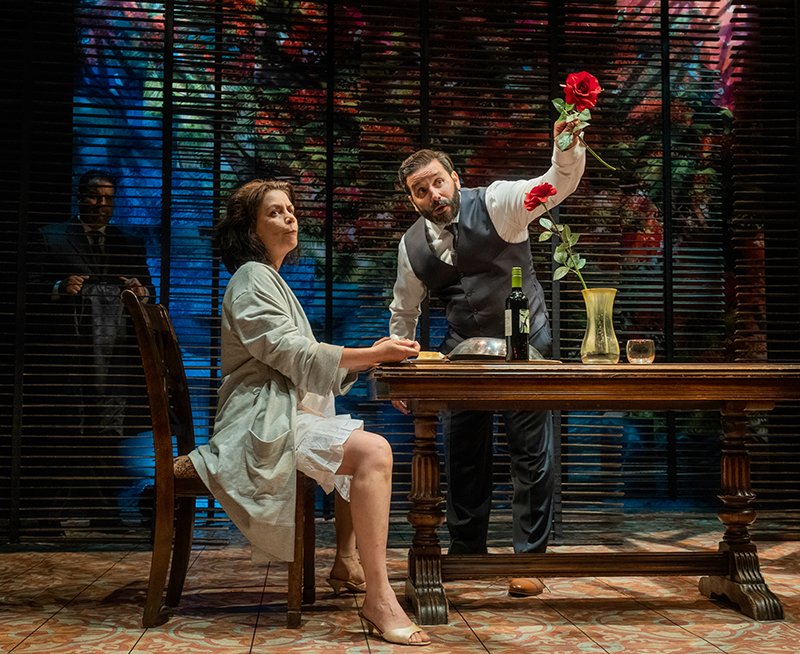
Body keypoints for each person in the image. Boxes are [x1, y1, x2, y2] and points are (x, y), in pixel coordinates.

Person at [185, 179, 430, 646]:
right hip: (259, 419)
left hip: (282, 411)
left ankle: (346, 560)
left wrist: (371, 353)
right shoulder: (251, 278)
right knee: (372, 453)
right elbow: (290, 352)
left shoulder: (270, 280)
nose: (290, 217)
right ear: (249, 228)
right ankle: (379, 598)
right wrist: (373, 356)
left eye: (292, 209)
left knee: (350, 434)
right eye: (275, 212)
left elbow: (305, 359)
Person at [389, 121, 585, 597]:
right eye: (420, 190)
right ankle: (468, 552)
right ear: (412, 200)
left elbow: (556, 185)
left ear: (455, 178)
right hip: (465, 351)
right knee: (464, 457)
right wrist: (402, 370)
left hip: (525, 341)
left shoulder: (499, 202)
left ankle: (530, 559)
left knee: (529, 453)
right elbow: (404, 310)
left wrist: (567, 145)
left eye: (437, 181)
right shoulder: (412, 245)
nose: (432, 194)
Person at [27, 170, 153, 532]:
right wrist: (57, 286)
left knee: (105, 435)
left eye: (108, 198)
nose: (101, 204)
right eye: (95, 197)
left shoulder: (129, 243)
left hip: (113, 361)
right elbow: (26, 287)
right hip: (66, 359)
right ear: (80, 197)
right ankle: (47, 515)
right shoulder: (50, 237)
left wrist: (139, 290)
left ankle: (103, 512)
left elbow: (149, 294)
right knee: (64, 433)